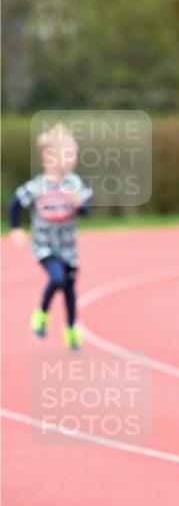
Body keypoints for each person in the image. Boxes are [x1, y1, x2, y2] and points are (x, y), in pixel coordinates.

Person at [8, 122, 92, 349]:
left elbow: (87, 211)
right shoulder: (37, 186)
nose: (73, 159)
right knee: (57, 279)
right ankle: (42, 313)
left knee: (69, 289)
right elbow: (15, 204)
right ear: (48, 156)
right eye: (68, 154)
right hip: (44, 246)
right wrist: (15, 229)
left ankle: (71, 329)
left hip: (68, 248)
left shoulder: (74, 183)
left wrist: (80, 204)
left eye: (74, 154)